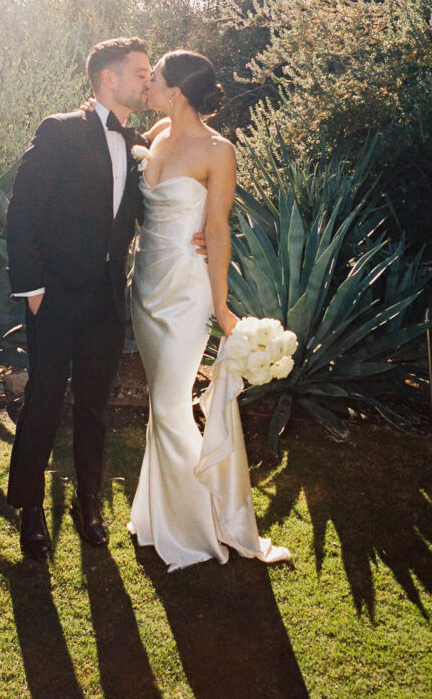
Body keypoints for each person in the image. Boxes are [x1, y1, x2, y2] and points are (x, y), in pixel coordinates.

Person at [5, 37, 205, 561]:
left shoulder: (140, 139)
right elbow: (23, 211)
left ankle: (88, 504)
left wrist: (198, 231)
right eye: (140, 72)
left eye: (149, 73)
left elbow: (161, 203)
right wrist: (32, 290)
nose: (147, 80)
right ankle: (28, 508)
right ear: (109, 79)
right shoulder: (60, 130)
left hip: (107, 302)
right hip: (52, 297)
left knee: (95, 407)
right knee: (45, 399)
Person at [127, 50, 291, 571]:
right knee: (161, 402)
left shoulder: (218, 150)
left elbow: (216, 228)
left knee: (172, 404)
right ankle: (162, 514)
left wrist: (221, 306)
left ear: (176, 90)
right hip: (144, 288)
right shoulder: (154, 135)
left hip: (184, 289)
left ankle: (204, 525)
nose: (146, 83)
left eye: (153, 78)